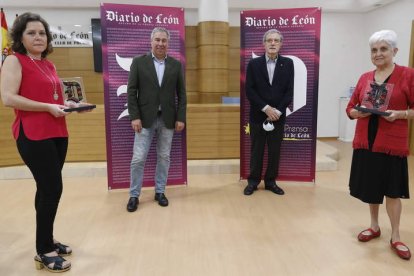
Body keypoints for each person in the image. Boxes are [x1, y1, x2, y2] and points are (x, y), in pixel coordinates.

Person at [0, 12, 91, 272]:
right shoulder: (13, 61)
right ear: (19, 36)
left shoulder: (49, 65)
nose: (38, 37)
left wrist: (73, 106)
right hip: (32, 134)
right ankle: (43, 250)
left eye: (42, 33)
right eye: (31, 32)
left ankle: (46, 238)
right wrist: (47, 107)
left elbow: (57, 99)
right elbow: (8, 98)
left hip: (57, 132)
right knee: (52, 189)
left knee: (46, 189)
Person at [346, 30, 413, 260]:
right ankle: (374, 226)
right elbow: (351, 106)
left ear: (395, 51)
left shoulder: (407, 75)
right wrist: (356, 113)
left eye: (383, 49)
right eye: (374, 50)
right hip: (367, 142)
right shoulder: (365, 77)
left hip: (391, 143)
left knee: (393, 191)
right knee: (372, 188)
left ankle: (395, 235)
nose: (378, 54)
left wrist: (401, 114)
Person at [126, 27, 186, 212]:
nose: (160, 43)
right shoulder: (138, 62)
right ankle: (134, 195)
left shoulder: (176, 65)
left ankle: (160, 191)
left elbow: (182, 95)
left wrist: (181, 117)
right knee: (138, 158)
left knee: (164, 157)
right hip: (144, 119)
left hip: (168, 119)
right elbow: (131, 91)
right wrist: (134, 116)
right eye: (157, 40)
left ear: (168, 43)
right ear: (151, 42)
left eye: (164, 40)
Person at [243, 29, 294, 196]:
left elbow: (289, 92)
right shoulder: (254, 64)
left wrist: (277, 111)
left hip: (278, 117)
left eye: (276, 40)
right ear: (264, 44)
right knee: (256, 151)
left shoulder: (288, 63)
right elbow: (249, 90)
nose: (273, 43)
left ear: (281, 44)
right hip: (258, 116)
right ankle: (253, 182)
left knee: (274, 151)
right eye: (269, 40)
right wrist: (266, 108)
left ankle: (271, 182)